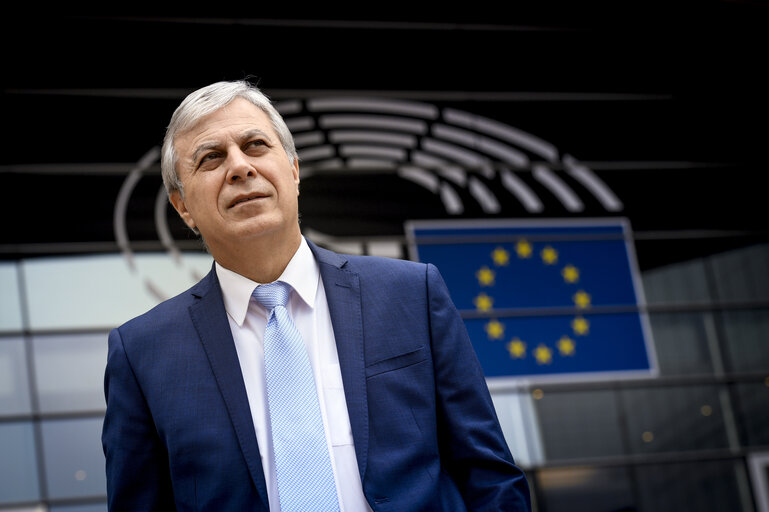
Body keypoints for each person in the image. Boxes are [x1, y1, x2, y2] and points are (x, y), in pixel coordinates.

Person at [101, 79, 531, 511]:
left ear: (293, 171)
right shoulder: (141, 354)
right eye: (211, 157)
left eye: (255, 145)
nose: (239, 167)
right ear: (182, 208)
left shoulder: (410, 293)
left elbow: (488, 474)